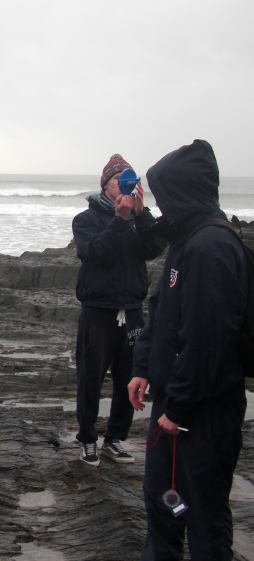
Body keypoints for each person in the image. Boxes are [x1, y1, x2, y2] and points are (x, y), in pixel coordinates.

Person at [128, 140, 248, 560]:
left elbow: (208, 342)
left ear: (186, 192)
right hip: (172, 407)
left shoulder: (211, 247)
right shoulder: (184, 241)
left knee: (204, 521)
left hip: (203, 415)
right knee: (164, 505)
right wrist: (142, 365)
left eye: (166, 195)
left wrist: (177, 409)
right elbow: (161, 312)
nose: (162, 206)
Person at [71, 154, 165, 467]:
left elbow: (153, 250)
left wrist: (142, 215)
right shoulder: (85, 220)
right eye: (119, 181)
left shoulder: (138, 218)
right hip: (98, 312)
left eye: (131, 182)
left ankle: (114, 438)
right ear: (106, 185)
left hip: (132, 310)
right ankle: (87, 440)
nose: (125, 187)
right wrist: (119, 220)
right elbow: (96, 254)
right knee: (90, 380)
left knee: (131, 377)